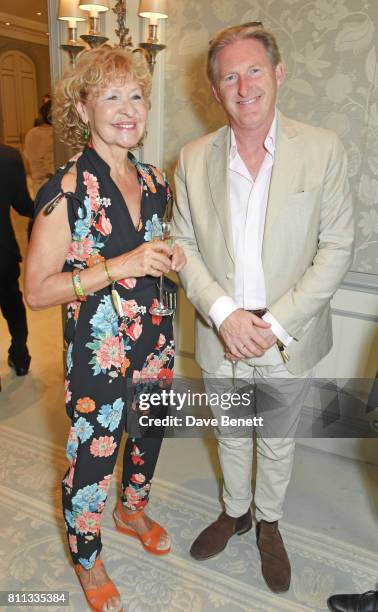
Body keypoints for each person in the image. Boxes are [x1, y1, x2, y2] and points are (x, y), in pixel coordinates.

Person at [173, 23, 354, 594]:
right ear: (215, 89)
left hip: (285, 331)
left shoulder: (322, 147)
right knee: (229, 431)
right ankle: (235, 510)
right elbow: (183, 246)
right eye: (229, 75)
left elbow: (338, 245)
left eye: (254, 70)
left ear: (277, 75)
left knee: (275, 437)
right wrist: (224, 313)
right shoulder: (193, 156)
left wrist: (272, 326)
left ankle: (269, 524)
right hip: (220, 327)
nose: (243, 85)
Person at [25, 47, 186, 612]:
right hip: (101, 351)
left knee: (150, 433)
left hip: (157, 336)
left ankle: (132, 508)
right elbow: (36, 290)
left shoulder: (153, 177)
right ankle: (87, 557)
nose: (127, 109)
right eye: (111, 95)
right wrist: (121, 266)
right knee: (94, 454)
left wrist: (173, 257)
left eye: (136, 95)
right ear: (83, 105)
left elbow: (156, 243)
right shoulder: (66, 190)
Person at [0, 143, 33, 377]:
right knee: (12, 303)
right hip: (2, 251)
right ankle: (20, 357)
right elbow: (23, 205)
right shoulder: (8, 157)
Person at [24, 100, 54, 196]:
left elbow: (27, 163)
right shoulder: (54, 134)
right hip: (55, 188)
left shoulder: (30, 134)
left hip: (37, 188)